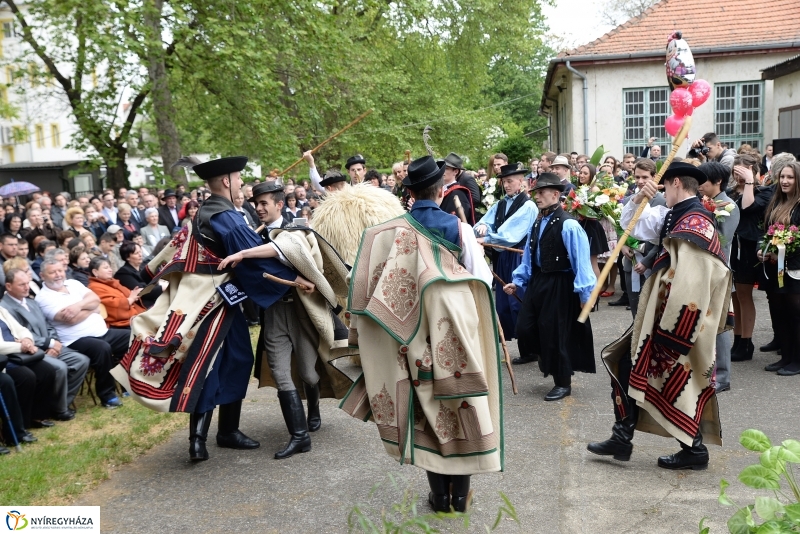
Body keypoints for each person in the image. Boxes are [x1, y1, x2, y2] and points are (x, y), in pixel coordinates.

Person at [113, 156, 304, 462]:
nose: (242, 183)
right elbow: (250, 257)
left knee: (220, 361)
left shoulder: (206, 209)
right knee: (222, 362)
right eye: (239, 178)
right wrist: (293, 278)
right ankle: (214, 435)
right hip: (216, 303)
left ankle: (207, 437)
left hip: (202, 301)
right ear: (226, 181)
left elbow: (174, 248)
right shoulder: (226, 217)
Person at [342, 155, 499, 513]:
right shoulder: (460, 230)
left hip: (408, 333)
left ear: (408, 192)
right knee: (461, 403)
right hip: (454, 331)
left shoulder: (388, 232)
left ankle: (438, 495)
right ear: (442, 189)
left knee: (424, 408)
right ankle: (460, 497)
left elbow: (361, 285)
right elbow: (482, 282)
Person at [588, 162, 732, 470]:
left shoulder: (695, 224)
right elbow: (633, 226)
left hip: (680, 325)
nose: (663, 192)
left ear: (676, 183)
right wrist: (639, 198)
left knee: (677, 383)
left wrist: (672, 333)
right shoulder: (674, 216)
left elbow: (691, 285)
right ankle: (623, 436)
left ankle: (693, 450)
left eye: (664, 186)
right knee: (628, 364)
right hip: (663, 318)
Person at [503, 173, 596, 401]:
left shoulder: (569, 225)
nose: (537, 197)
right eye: (536, 193)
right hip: (538, 281)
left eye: (542, 193)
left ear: (555, 194)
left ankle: (562, 382)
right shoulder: (537, 222)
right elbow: (529, 257)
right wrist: (517, 281)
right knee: (525, 328)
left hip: (560, 284)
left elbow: (581, 262)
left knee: (556, 332)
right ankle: (546, 354)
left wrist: (585, 294)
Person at [35, 258, 126, 409]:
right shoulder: (43, 298)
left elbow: (95, 300)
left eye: (60, 270)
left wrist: (78, 306)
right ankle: (108, 396)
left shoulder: (73, 283)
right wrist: (92, 309)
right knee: (102, 348)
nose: (58, 275)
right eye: (52, 272)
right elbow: (70, 320)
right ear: (42, 275)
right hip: (75, 340)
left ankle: (130, 384)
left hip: (101, 332)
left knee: (134, 338)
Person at [2, 268, 89, 421]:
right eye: (21, 284)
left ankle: (57, 403)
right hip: (31, 350)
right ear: (8, 286)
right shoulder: (6, 307)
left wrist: (54, 341)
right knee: (58, 368)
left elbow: (47, 325)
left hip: (50, 344)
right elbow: (21, 335)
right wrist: (48, 343)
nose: (26, 287)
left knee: (81, 361)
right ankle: (60, 409)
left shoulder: (31, 301)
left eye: (27, 283)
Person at [475, 163, 538, 361]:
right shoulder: (501, 203)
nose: (507, 185)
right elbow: (485, 220)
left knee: (517, 300)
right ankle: (524, 348)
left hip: (518, 256)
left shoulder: (528, 206)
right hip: (503, 257)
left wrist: (489, 239)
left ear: (522, 182)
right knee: (503, 304)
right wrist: (483, 226)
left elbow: (510, 233)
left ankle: (532, 349)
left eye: (511, 181)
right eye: (504, 181)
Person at [698, 162, 740, 392]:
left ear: (718, 182)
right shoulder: (704, 203)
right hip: (702, 269)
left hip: (718, 271)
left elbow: (722, 243)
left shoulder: (729, 207)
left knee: (720, 324)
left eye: (703, 181)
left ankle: (723, 376)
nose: (700, 185)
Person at [728, 153, 773, 362]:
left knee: (744, 295)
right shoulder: (729, 193)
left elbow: (748, 207)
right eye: (736, 171)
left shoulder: (763, 192)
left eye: (743, 171)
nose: (738, 176)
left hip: (748, 249)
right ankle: (738, 338)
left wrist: (749, 181)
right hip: (732, 248)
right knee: (735, 296)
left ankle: (747, 342)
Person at [758, 161, 800, 375]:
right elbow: (765, 232)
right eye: (782, 176)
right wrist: (762, 249)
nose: (785, 181)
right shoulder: (775, 202)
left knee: (795, 313)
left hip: (794, 269)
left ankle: (797, 360)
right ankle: (785, 356)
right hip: (774, 267)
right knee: (778, 311)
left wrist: (783, 252)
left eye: (790, 177)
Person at [619, 158, 666, 318]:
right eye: (637, 177)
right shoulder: (628, 200)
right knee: (635, 308)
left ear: (654, 177)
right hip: (630, 261)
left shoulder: (663, 201)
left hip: (652, 263)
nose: (640, 181)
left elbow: (664, 239)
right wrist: (623, 246)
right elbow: (621, 227)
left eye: (645, 177)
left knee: (652, 312)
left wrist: (646, 261)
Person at [88, 257, 145, 328]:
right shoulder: (94, 287)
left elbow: (128, 294)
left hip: (135, 314)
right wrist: (131, 299)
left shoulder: (113, 282)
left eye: (110, 267)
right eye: (106, 268)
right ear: (95, 272)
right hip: (122, 323)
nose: (110, 270)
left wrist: (135, 294)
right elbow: (112, 305)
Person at [114, 241, 162, 308]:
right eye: (136, 253)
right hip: (142, 306)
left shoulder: (142, 268)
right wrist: (162, 288)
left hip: (154, 301)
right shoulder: (123, 273)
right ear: (127, 257)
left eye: (140, 252)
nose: (140, 255)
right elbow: (143, 293)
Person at [439, 153, 475, 225]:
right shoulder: (440, 190)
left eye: (446, 169)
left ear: (455, 171)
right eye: (442, 168)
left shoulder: (458, 193)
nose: (442, 171)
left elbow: (455, 223)